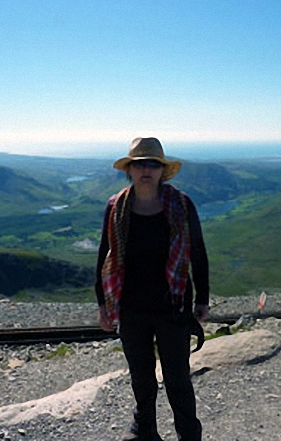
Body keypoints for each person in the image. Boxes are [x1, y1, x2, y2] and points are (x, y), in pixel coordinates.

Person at [95, 137, 210, 441]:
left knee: (178, 379)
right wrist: (103, 306)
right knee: (141, 379)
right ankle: (144, 432)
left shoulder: (181, 204)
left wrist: (203, 298)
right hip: (131, 307)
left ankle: (189, 435)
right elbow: (104, 255)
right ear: (129, 169)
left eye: (153, 164)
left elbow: (197, 252)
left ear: (162, 170)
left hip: (172, 307)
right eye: (139, 164)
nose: (146, 170)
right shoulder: (116, 207)